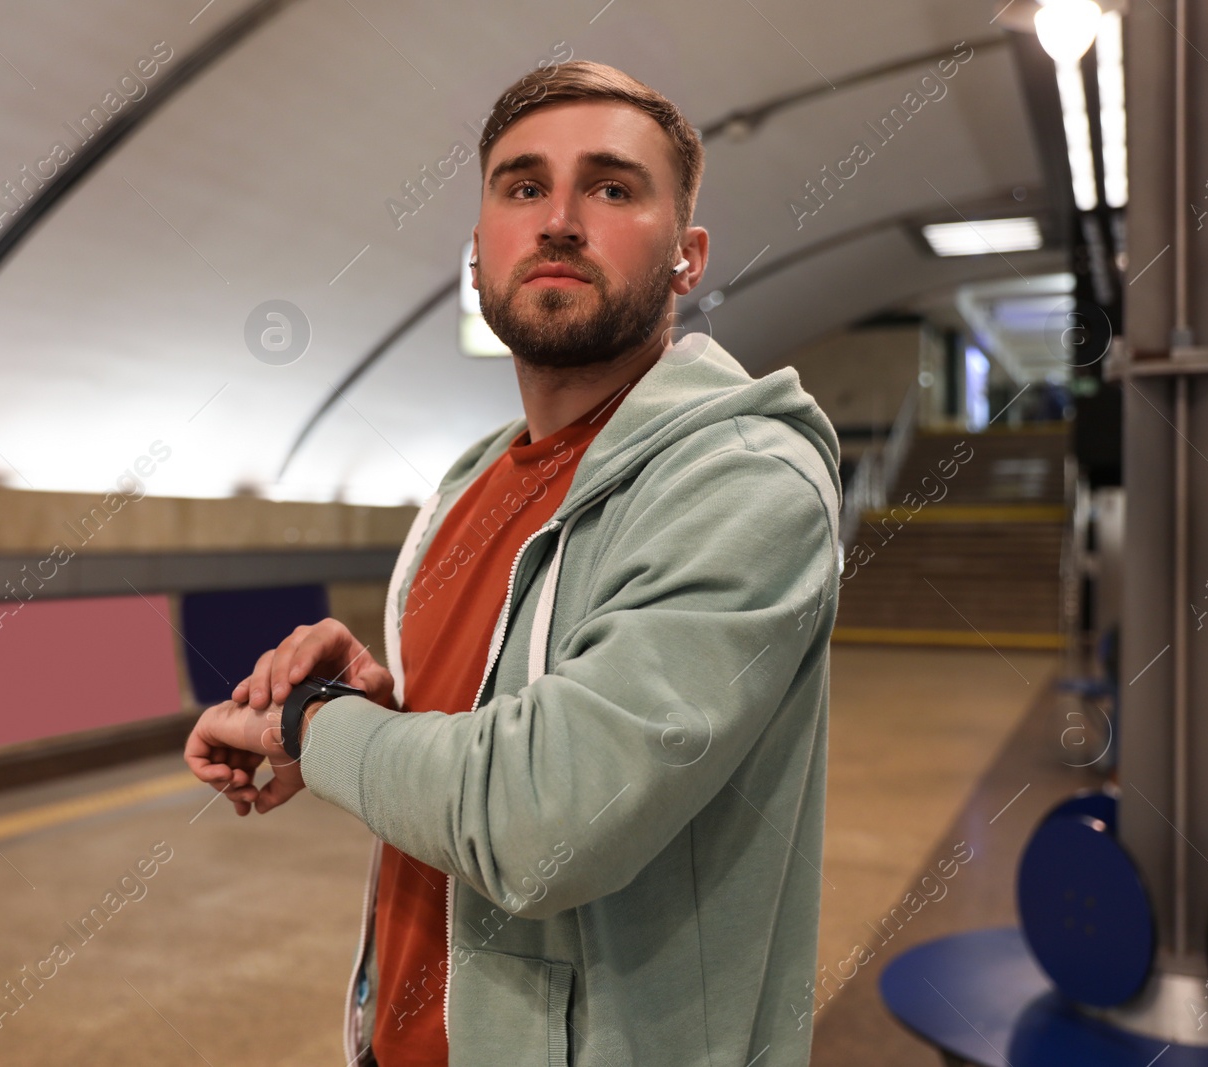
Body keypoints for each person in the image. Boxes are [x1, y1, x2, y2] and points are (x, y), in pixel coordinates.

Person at [184, 59, 841, 1067]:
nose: (560, 219)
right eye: (523, 186)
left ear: (688, 256)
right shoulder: (465, 484)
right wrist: (379, 697)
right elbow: (478, 738)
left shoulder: (747, 484)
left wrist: (309, 723)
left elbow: (544, 823)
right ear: (480, 250)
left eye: (613, 188)